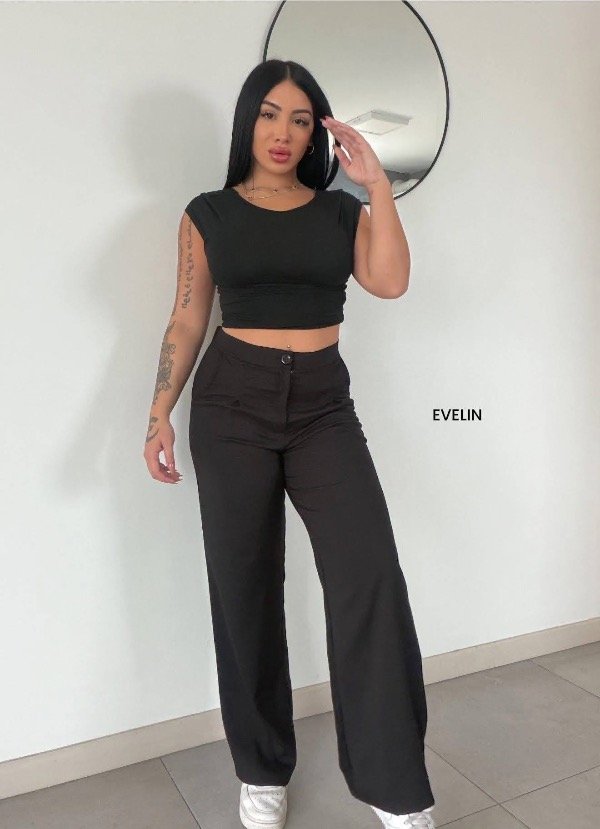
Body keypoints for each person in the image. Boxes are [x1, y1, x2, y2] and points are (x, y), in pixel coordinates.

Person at [143, 59, 436, 829]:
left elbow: (391, 282)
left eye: (301, 120)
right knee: (243, 587)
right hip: (230, 404)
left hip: (321, 408)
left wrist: (376, 186)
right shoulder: (207, 214)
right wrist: (158, 412)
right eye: (271, 114)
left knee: (369, 575)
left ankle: (395, 786)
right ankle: (262, 768)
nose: (283, 132)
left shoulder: (340, 213)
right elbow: (187, 317)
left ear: (317, 134)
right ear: (248, 120)